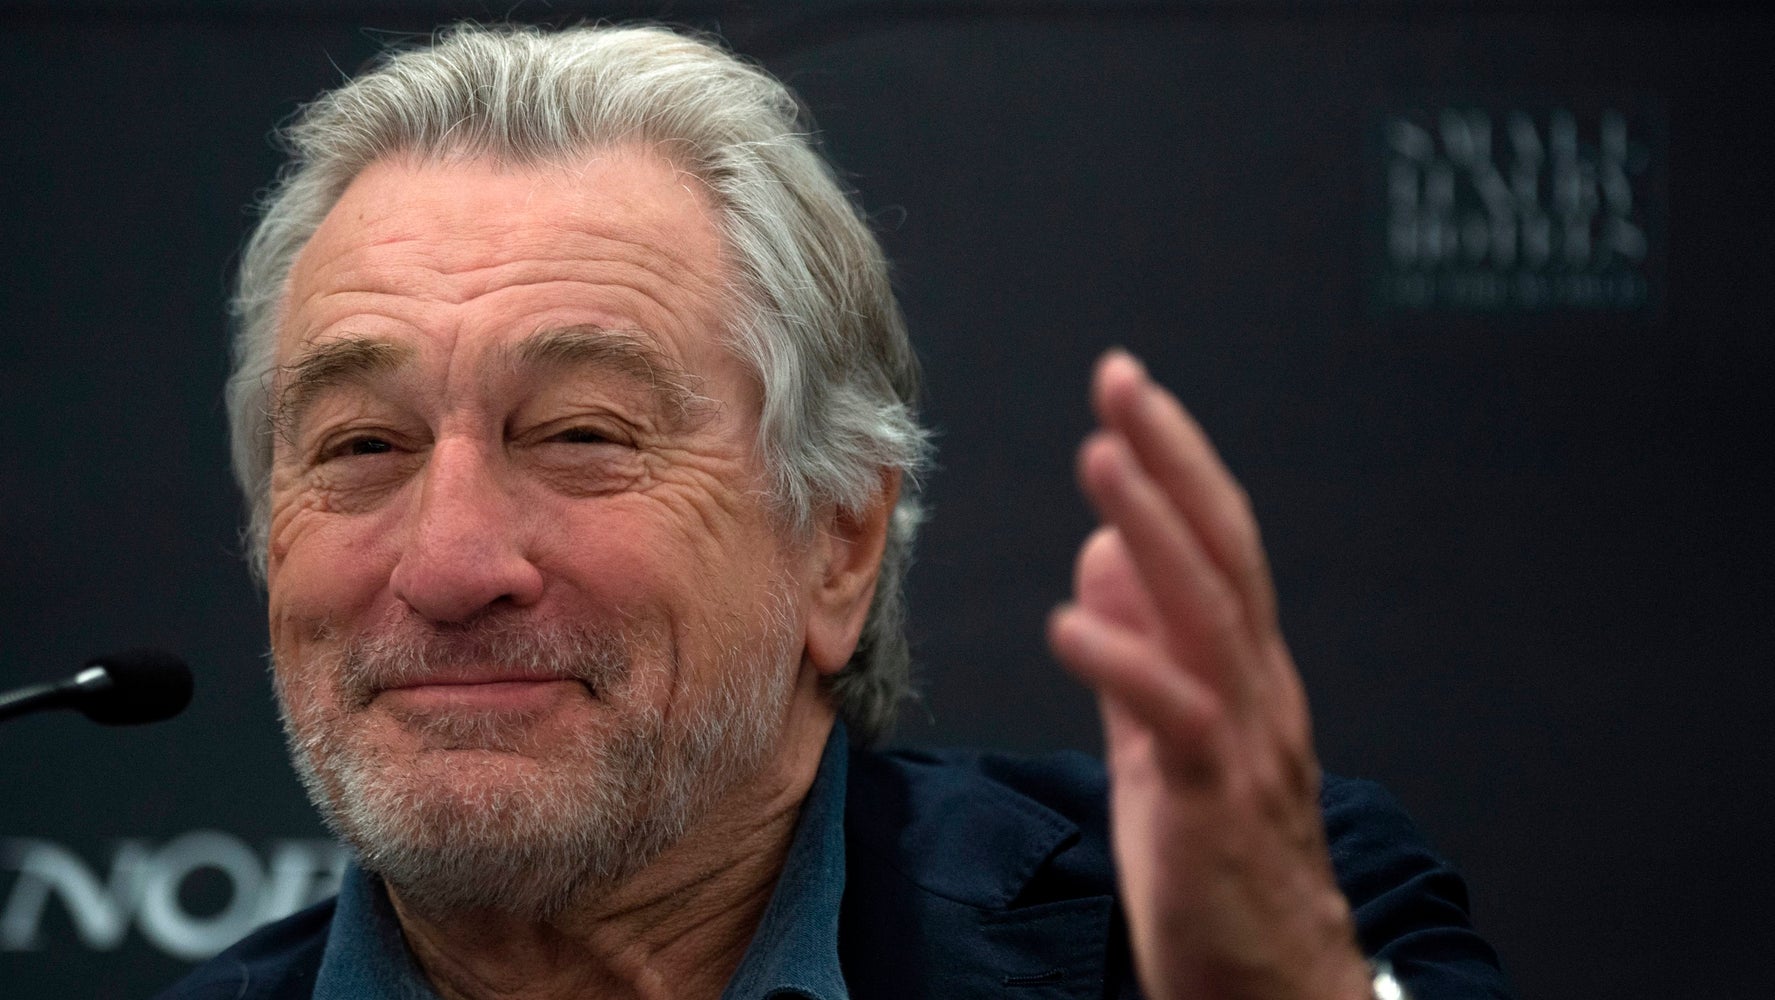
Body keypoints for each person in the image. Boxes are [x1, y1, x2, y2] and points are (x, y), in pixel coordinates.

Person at [158, 23, 1510, 1000]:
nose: (450, 561)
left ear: (839, 543)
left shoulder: (1235, 933)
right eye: (363, 445)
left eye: (581, 435)